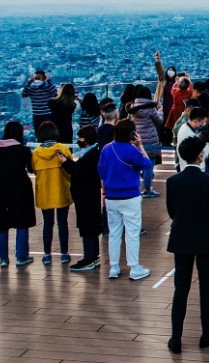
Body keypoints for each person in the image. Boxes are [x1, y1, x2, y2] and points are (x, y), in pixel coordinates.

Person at [167, 136, 209, 353]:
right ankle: (207, 333)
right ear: (200, 155)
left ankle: (176, 338)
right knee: (206, 287)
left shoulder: (172, 181)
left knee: (180, 288)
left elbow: (172, 211)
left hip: (181, 237)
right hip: (206, 237)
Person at [98, 119, 152, 280]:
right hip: (130, 196)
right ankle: (134, 267)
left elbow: (101, 172)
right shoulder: (132, 150)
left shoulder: (106, 149)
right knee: (132, 232)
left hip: (111, 197)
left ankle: (113, 267)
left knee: (114, 233)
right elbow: (147, 164)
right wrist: (140, 145)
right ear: (132, 133)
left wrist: (103, 194)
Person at [57, 125, 104, 271]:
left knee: (88, 225)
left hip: (86, 196)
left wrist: (65, 162)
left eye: (81, 140)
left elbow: (79, 172)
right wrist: (67, 160)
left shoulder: (92, 155)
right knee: (88, 225)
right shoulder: (91, 153)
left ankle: (90, 258)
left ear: (87, 140)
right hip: (87, 195)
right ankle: (92, 256)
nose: (79, 142)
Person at [0, 121, 36, 268]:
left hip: (1, 189)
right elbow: (31, 169)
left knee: (2, 222)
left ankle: (3, 258)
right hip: (20, 188)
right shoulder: (23, 150)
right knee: (22, 221)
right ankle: (21, 256)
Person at [31, 122, 73, 265]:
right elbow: (70, 167)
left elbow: (34, 170)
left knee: (47, 224)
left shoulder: (36, 153)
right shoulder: (63, 149)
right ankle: (64, 254)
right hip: (61, 190)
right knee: (63, 223)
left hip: (45, 192)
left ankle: (47, 254)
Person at [128, 85, 164, 198]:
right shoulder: (151, 108)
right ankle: (147, 189)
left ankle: (134, 187)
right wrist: (161, 111)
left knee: (135, 165)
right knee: (149, 166)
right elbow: (159, 122)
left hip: (136, 140)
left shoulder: (133, 108)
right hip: (150, 141)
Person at [22, 70, 58, 134]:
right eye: (35, 78)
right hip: (36, 115)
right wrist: (29, 83)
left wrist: (48, 82)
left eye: (39, 78)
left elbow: (55, 95)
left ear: (44, 79)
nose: (37, 80)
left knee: (49, 133)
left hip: (48, 115)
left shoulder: (48, 87)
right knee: (38, 133)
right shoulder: (32, 88)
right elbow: (24, 94)